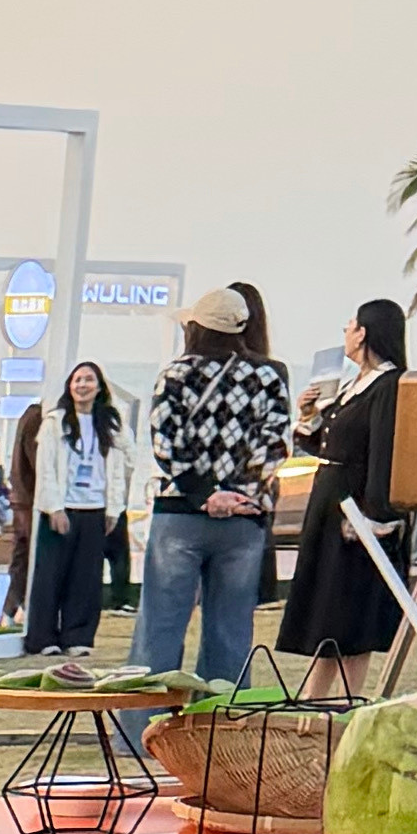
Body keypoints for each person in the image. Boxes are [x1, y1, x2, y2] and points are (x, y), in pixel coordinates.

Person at [132, 281, 291, 690]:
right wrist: (239, 491)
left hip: (180, 513)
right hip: (243, 518)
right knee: (231, 633)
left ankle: (141, 730)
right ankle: (223, 731)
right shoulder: (269, 376)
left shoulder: (175, 374)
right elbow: (276, 445)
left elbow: (164, 444)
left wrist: (205, 494)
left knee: (160, 630)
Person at [280, 293, 414, 696]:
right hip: (330, 500)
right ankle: (318, 693)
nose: (346, 332)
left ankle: (344, 696)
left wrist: (373, 516)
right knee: (327, 604)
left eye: (351, 325)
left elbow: (381, 453)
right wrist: (310, 418)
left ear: (365, 333)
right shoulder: (356, 384)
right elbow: (330, 443)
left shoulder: (388, 385)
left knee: (349, 607)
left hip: (354, 507)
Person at [12, 356, 124, 649]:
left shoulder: (111, 424)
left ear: (99, 387)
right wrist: (54, 507)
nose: (83, 385)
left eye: (89, 380)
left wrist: (114, 509)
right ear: (69, 386)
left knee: (86, 579)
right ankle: (43, 637)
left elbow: (121, 466)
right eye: (77, 380)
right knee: (49, 576)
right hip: (61, 509)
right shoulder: (55, 422)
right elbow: (45, 467)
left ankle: (78, 636)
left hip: (94, 509)